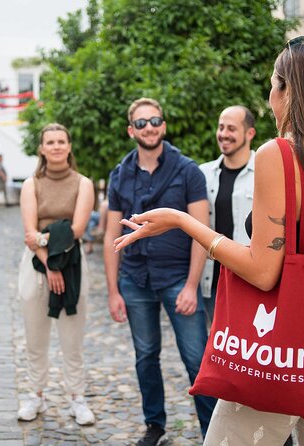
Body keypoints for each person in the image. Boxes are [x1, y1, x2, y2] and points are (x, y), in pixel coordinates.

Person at [113, 39, 304, 444]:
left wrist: (183, 221)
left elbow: (262, 271)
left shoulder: (279, 154)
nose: (270, 98)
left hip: (289, 335)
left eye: (273, 87)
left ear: (290, 91)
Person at [103, 97, 217, 445]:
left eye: (155, 121)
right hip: (135, 280)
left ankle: (212, 431)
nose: (149, 127)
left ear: (163, 126)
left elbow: (202, 231)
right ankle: (155, 425)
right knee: (146, 357)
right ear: (130, 130)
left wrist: (191, 285)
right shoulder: (119, 175)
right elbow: (111, 234)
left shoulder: (188, 171)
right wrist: (113, 291)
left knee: (198, 359)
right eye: (141, 123)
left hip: (178, 279)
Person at [17, 123, 96, 425]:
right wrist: (47, 260)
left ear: (69, 146)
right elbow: (28, 233)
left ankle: (77, 397)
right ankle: (35, 394)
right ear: (42, 148)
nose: (56, 146)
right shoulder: (31, 184)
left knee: (71, 336)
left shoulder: (83, 184)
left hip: (72, 265)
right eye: (50, 142)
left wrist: (44, 242)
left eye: (61, 141)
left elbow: (76, 230)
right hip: (35, 266)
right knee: (36, 335)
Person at [199, 105, 256, 321]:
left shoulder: (265, 172)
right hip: (211, 282)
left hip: (247, 281)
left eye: (231, 128)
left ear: (249, 133)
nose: (223, 134)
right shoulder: (203, 173)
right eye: (221, 127)